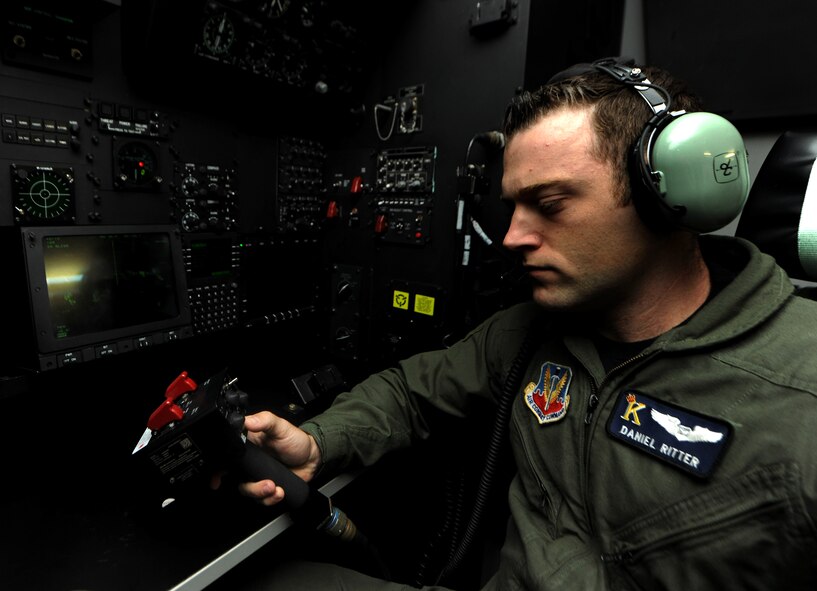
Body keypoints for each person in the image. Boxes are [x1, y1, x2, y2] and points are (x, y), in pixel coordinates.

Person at [228, 58, 817, 589]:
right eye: (513, 206)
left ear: (667, 193)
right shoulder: (531, 330)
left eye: (551, 204)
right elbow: (411, 390)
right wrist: (320, 441)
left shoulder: (801, 389)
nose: (513, 237)